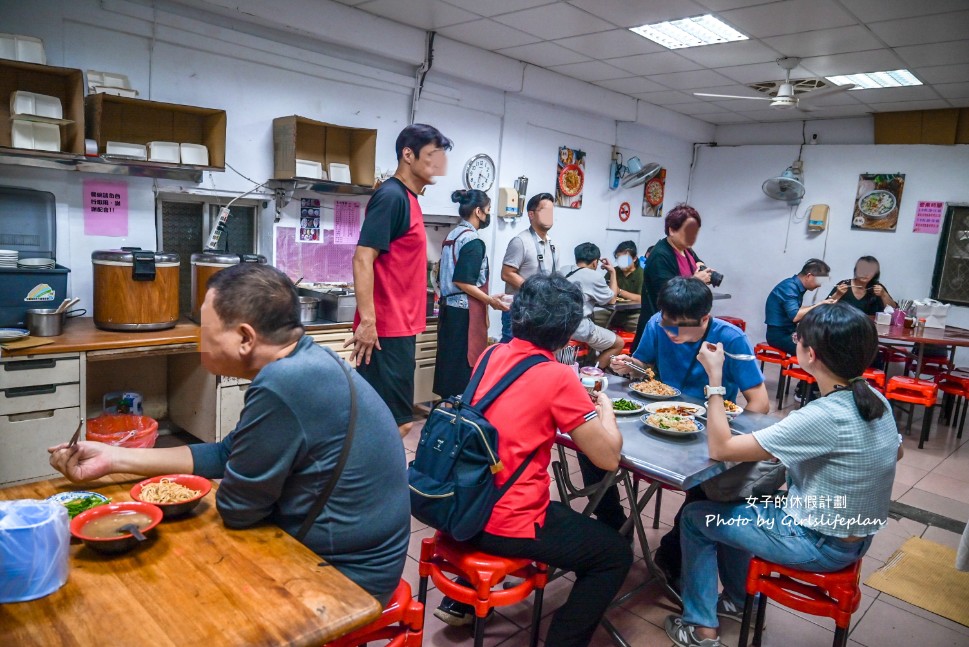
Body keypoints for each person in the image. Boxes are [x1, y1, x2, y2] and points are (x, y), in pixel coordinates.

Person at [48, 263, 410, 606]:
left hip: (346, 577)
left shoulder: (284, 383)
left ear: (244, 338)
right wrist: (113, 459)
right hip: (352, 555)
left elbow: (238, 510)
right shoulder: (307, 360)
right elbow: (225, 454)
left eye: (205, 330)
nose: (197, 340)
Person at [665, 303, 901, 647]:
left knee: (695, 517)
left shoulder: (823, 414)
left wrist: (715, 379)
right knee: (741, 505)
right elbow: (897, 451)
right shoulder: (875, 399)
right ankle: (738, 598)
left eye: (797, 338)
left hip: (818, 542)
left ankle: (701, 629)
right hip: (855, 537)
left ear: (810, 354)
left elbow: (721, 449)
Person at [435, 274, 632, 647]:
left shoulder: (493, 353)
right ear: (567, 331)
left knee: (545, 504)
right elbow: (607, 457)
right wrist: (605, 409)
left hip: (464, 502)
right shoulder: (558, 376)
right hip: (506, 523)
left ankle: (464, 596)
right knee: (614, 555)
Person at [608, 277, 770, 583]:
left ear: (705, 319)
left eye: (680, 328)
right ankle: (613, 528)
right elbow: (642, 366)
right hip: (656, 419)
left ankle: (671, 554)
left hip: (705, 431)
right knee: (600, 454)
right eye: (667, 324)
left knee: (704, 484)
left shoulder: (731, 339)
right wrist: (629, 366)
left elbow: (759, 403)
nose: (671, 333)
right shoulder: (658, 324)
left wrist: (719, 396)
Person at [347, 123, 452, 437]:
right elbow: (363, 257)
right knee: (395, 423)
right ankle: (367, 482)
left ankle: (360, 481)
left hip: (399, 328)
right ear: (408, 154)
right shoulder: (391, 196)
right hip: (384, 330)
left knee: (382, 420)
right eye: (432, 155)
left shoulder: (410, 199)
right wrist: (368, 322)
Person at [433, 189, 508, 398]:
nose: (488, 215)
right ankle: (458, 418)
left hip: (448, 310)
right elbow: (463, 281)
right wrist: (490, 301)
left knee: (448, 367)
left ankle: (446, 413)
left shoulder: (452, 236)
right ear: (478, 211)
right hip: (464, 315)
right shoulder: (473, 241)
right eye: (488, 211)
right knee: (463, 368)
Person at [634, 204, 718, 349]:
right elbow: (668, 295)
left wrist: (703, 270)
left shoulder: (686, 250)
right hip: (665, 325)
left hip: (684, 322)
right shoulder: (660, 255)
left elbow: (698, 264)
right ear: (672, 230)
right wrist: (696, 280)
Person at [499, 192, 558, 343]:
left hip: (541, 310)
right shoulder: (520, 241)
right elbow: (506, 274)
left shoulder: (552, 244)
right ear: (531, 214)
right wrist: (534, 289)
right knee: (512, 354)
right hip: (519, 310)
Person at [563, 242, 625, 369]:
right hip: (577, 327)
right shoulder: (594, 276)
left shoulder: (562, 270)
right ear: (595, 262)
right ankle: (591, 373)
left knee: (595, 325)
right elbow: (612, 300)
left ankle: (586, 364)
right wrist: (612, 272)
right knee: (619, 343)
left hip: (557, 324)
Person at [765, 258, 835, 356]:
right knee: (817, 353)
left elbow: (799, 311)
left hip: (789, 332)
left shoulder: (796, 287)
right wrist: (819, 304)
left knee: (825, 345)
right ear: (809, 276)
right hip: (779, 336)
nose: (819, 285)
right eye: (820, 280)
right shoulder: (789, 287)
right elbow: (795, 316)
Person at [592, 240, 642, 333]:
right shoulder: (613, 271)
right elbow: (604, 291)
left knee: (638, 325)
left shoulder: (641, 274)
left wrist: (619, 291)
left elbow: (641, 299)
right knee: (591, 318)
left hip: (633, 314)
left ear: (634, 258)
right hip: (612, 312)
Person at [827, 255, 898, 314]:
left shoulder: (878, 287)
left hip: (870, 327)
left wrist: (884, 294)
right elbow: (824, 308)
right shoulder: (844, 284)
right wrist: (838, 294)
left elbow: (894, 311)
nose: (865, 273)